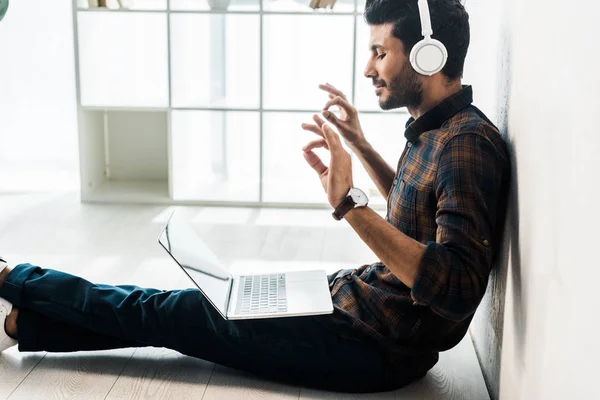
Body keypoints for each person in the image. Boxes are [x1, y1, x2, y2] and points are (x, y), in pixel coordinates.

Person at [0, 0, 510, 394]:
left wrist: (348, 206)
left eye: (380, 52)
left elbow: (456, 287)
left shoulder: (465, 149)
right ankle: (20, 323)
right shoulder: (437, 133)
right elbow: (411, 209)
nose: (368, 69)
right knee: (183, 310)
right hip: (356, 306)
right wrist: (358, 143)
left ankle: (11, 278)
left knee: (171, 312)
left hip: (371, 348)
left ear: (428, 55)